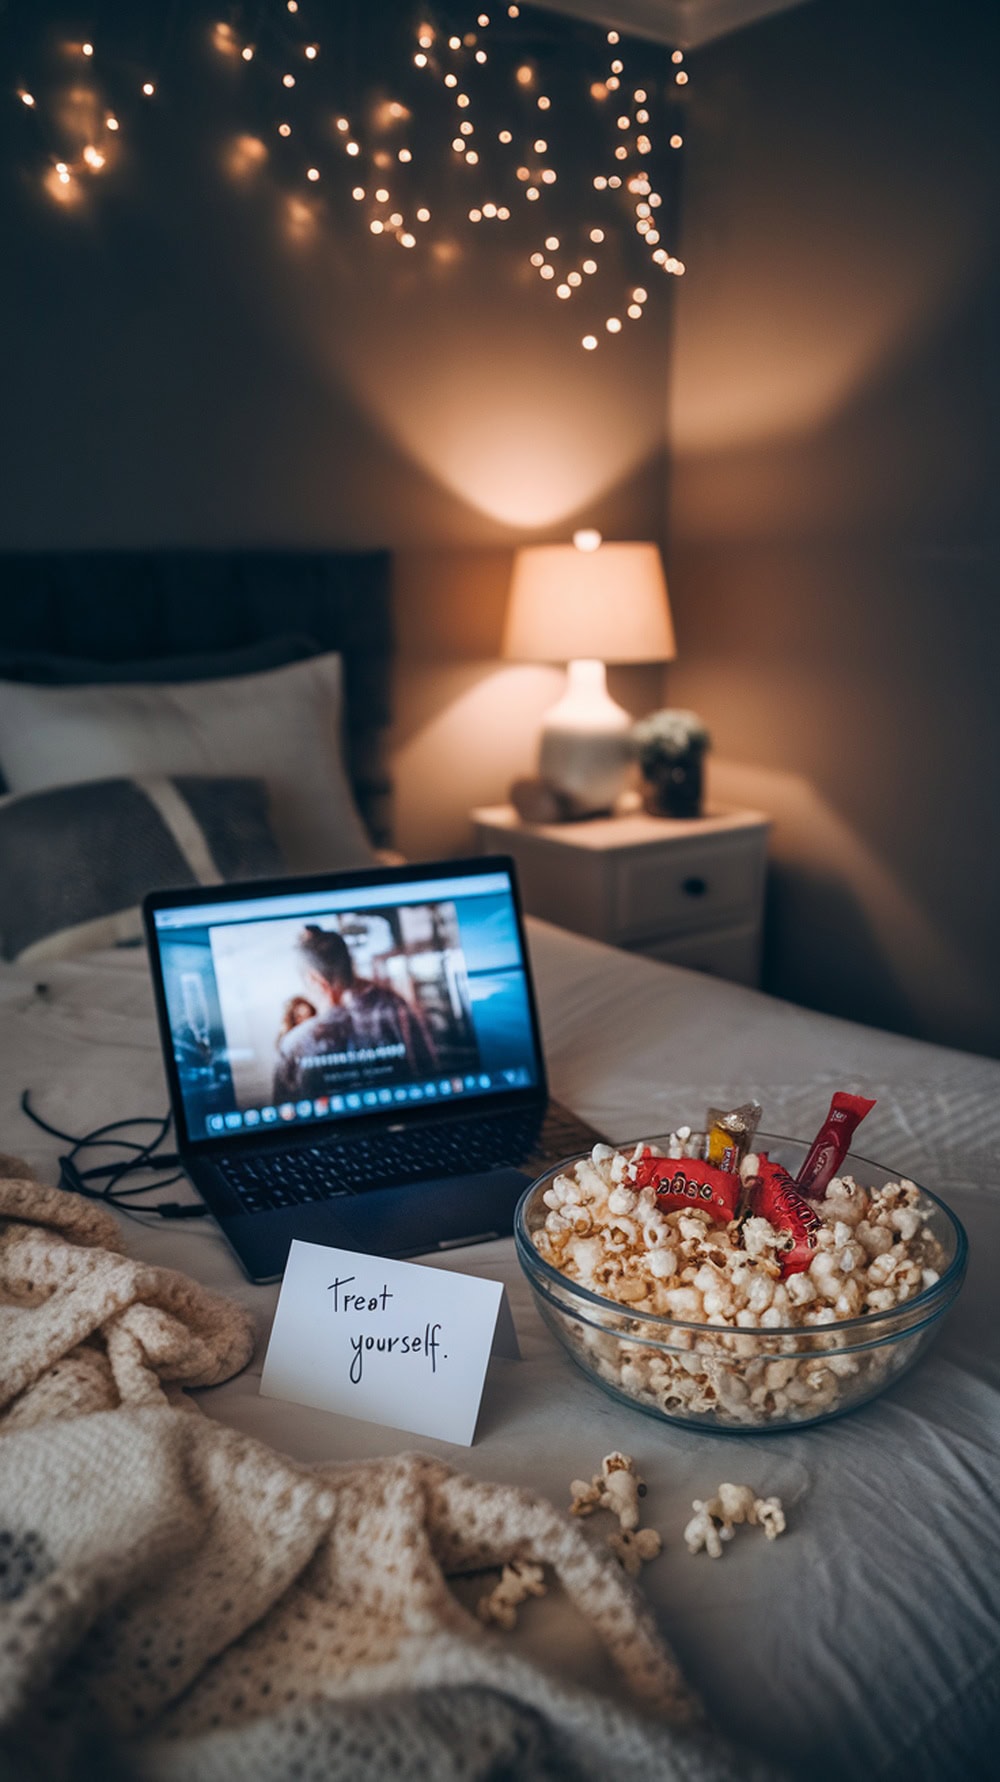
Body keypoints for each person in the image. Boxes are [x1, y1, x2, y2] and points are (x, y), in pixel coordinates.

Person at [272, 925, 438, 1104]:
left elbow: (283, 1112)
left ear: (313, 979)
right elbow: (430, 1073)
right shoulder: (396, 1009)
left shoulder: (294, 1044)